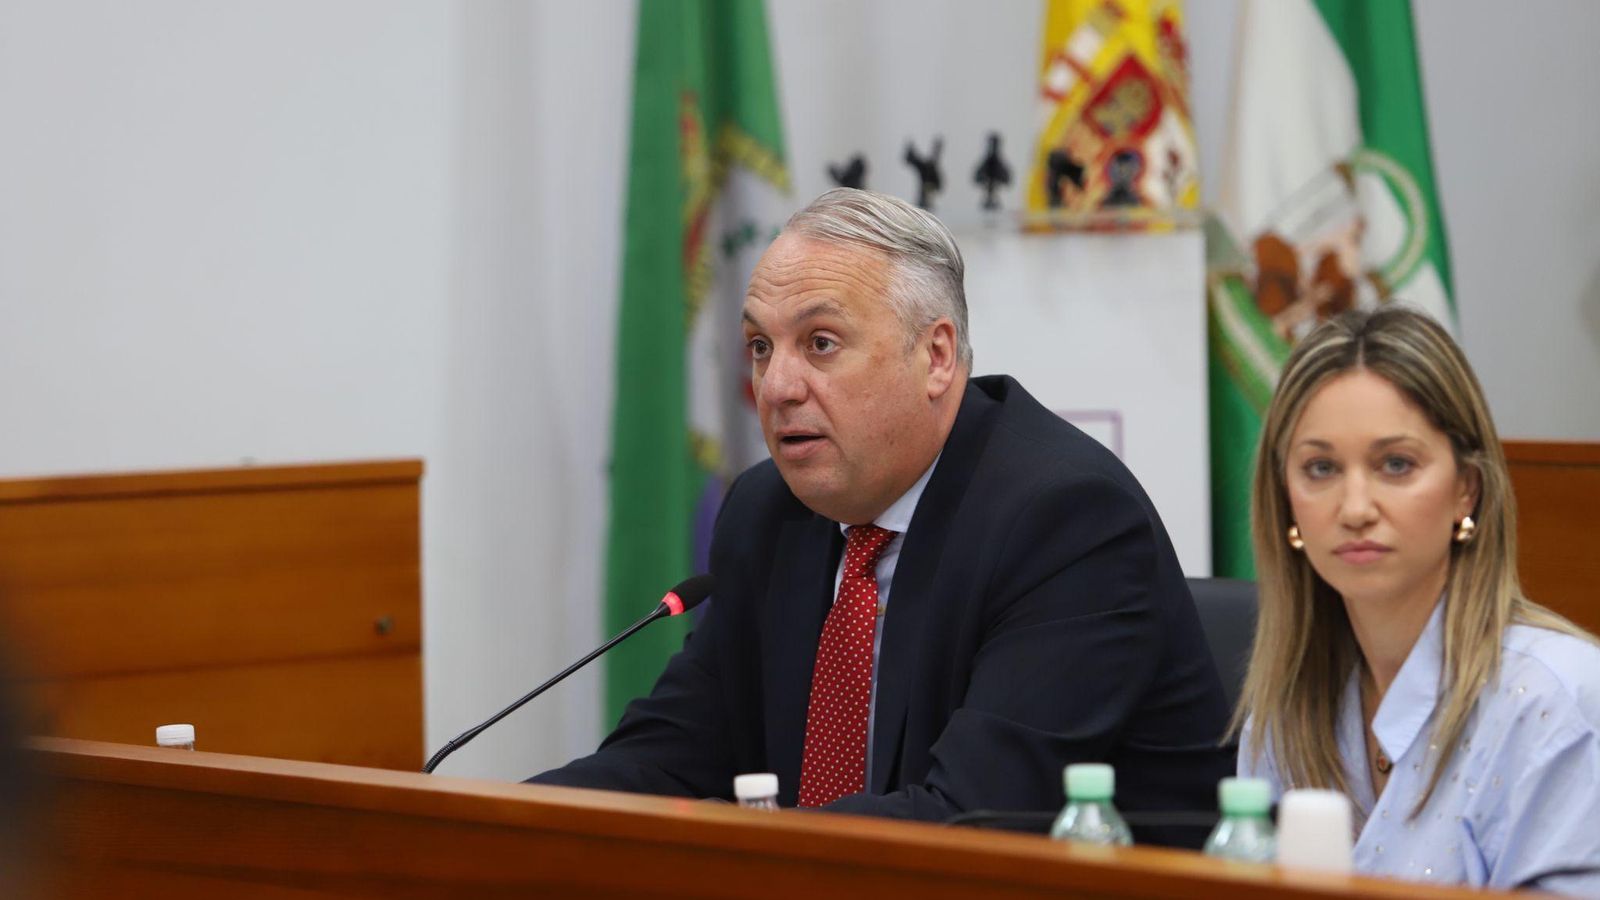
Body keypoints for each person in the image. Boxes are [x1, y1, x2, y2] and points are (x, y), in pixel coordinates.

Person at [532, 188, 1232, 841]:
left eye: (821, 344)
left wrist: (743, 858)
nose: (775, 387)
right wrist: (507, 823)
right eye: (759, 347)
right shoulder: (767, 513)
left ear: (935, 356)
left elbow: (969, 821)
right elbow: (674, 753)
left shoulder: (1065, 522)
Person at [1236, 306, 1600, 892]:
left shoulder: (1555, 703)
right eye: (1321, 468)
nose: (1355, 509)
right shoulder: (1282, 717)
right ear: (1285, 501)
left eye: (1395, 465)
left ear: (1466, 490)